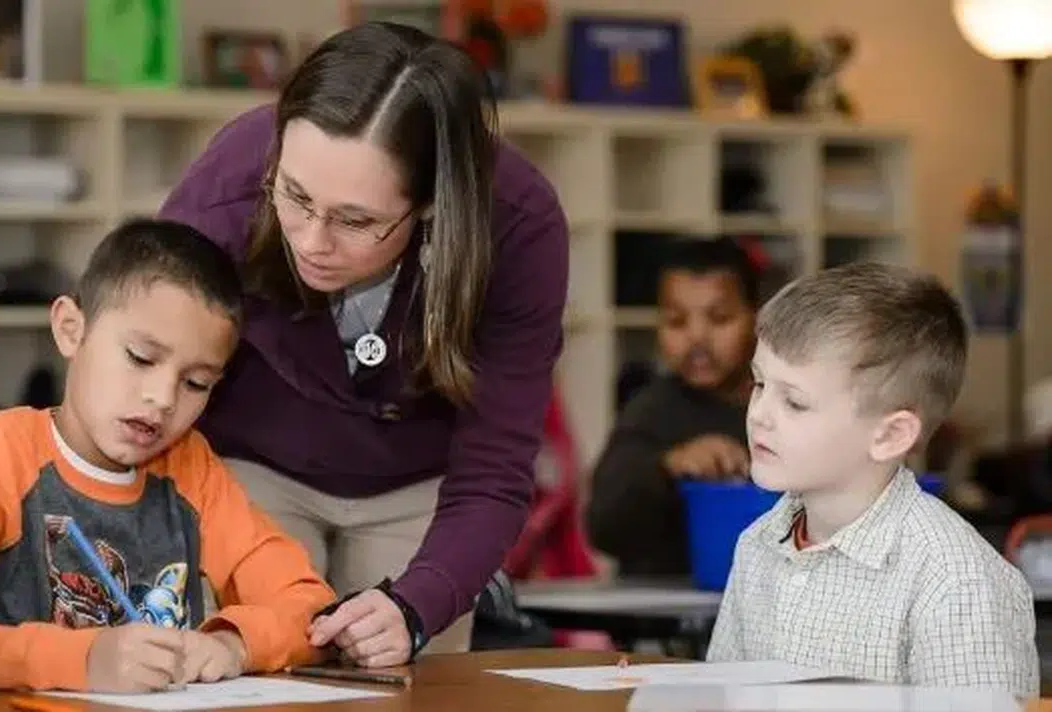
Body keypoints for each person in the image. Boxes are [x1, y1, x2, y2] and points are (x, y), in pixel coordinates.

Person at [158, 20, 568, 667]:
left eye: (357, 220)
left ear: (433, 203)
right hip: (248, 467)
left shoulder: (518, 225)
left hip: (421, 490)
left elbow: (494, 467)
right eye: (293, 197)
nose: (312, 240)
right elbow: (149, 364)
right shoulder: (231, 179)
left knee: (410, 681)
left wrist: (418, 604)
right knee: (258, 662)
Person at [0, 219, 335, 693]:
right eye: (141, 357)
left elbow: (308, 606)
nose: (163, 398)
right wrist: (81, 661)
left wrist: (234, 645)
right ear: (70, 330)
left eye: (196, 383)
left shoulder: (189, 468)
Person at [706, 261, 1039, 698]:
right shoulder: (758, 544)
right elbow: (718, 697)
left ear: (889, 435)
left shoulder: (956, 580)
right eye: (759, 384)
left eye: (795, 402)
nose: (760, 415)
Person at [585, 237, 758, 576]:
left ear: (757, 317)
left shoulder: (785, 406)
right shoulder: (650, 410)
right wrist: (667, 466)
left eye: (720, 318)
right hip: (660, 616)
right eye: (677, 322)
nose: (696, 338)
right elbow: (602, 526)